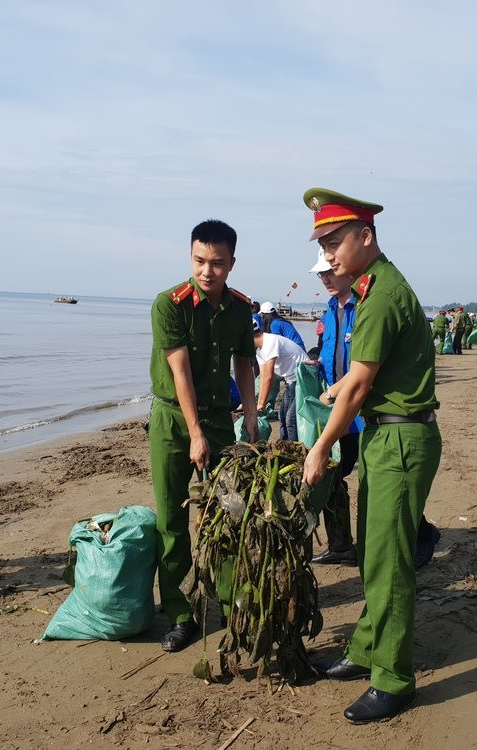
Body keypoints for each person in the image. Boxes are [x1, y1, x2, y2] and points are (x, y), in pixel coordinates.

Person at [301, 188, 441, 724]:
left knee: (389, 561)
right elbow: (366, 376)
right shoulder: (373, 288)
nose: (328, 254)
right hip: (390, 436)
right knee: (372, 554)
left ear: (366, 236)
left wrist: (320, 446)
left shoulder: (380, 295)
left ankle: (395, 678)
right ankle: (364, 649)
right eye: (322, 243)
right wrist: (342, 388)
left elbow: (361, 387)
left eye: (335, 240)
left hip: (401, 440)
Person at [149, 219, 258, 652]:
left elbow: (244, 364)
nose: (206, 271)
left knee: (229, 512)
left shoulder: (239, 307)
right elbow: (180, 374)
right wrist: (194, 434)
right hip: (173, 422)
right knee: (172, 520)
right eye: (199, 260)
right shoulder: (169, 305)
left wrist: (250, 414)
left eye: (216, 263)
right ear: (190, 256)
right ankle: (180, 613)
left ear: (231, 263)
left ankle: (232, 605)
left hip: (219, 420)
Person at [309, 248, 361, 564]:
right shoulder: (331, 311)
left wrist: (331, 394)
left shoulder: (363, 307)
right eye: (321, 274)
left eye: (329, 271)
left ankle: (421, 533)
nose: (325, 277)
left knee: (370, 479)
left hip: (361, 415)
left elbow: (363, 367)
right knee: (331, 477)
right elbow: (334, 358)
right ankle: (341, 545)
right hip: (334, 412)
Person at [254, 319, 309, 441]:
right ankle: (284, 446)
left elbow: (269, 377)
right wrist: (259, 403)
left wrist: (262, 404)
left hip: (303, 380)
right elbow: (263, 377)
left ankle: (293, 449)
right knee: (282, 415)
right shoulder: (259, 350)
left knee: (291, 418)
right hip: (291, 381)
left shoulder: (270, 342)